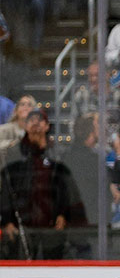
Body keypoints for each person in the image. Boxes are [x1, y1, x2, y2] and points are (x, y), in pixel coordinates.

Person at [0, 111, 81, 260]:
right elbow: (6, 188)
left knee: (53, 261)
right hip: (22, 225)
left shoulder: (58, 154)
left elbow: (64, 187)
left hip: (51, 226)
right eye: (31, 120)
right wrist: (7, 221)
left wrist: (63, 214)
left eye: (40, 120)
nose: (35, 123)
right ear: (25, 125)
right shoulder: (14, 153)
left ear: (47, 126)